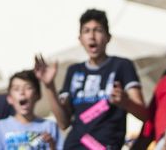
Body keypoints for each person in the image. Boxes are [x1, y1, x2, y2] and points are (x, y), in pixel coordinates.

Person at [51, 9, 147, 150]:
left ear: (108, 37)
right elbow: (63, 123)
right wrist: (49, 86)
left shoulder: (122, 65)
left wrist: (126, 102)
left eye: (98, 30)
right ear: (80, 39)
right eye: (86, 31)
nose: (92, 36)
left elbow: (145, 114)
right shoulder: (74, 70)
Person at [0, 71, 62, 150]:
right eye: (16, 89)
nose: (22, 92)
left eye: (28, 88)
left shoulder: (50, 126)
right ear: (9, 98)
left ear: (37, 95)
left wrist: (52, 146)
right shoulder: (0, 127)